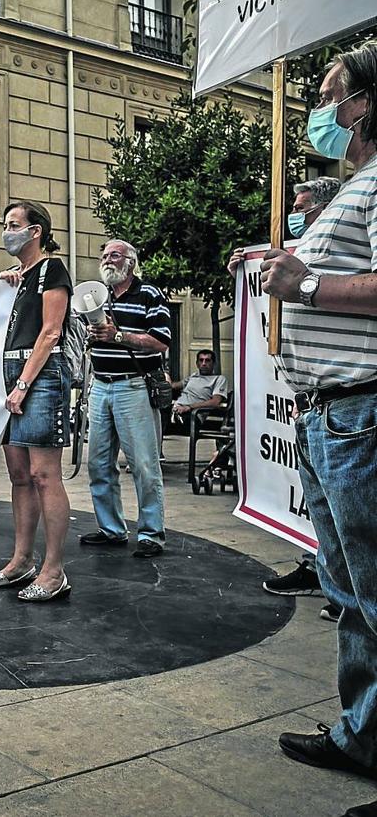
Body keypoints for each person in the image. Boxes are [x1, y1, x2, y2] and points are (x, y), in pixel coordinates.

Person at [257, 43, 377, 805]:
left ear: (364, 103)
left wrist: (307, 281)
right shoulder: (353, 188)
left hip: (361, 412)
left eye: (330, 92)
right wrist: (284, 260)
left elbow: (339, 284)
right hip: (329, 418)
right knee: (351, 593)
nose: (319, 108)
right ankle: (365, 734)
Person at [228, 177, 342, 612]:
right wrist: (246, 266)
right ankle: (326, 574)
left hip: (343, 400)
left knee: (348, 516)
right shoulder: (298, 254)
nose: (296, 215)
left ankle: (344, 587)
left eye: (303, 207)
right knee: (323, 507)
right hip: (309, 399)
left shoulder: (339, 251)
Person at [0, 201, 72, 601]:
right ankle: (22, 559)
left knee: (42, 474)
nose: (7, 231)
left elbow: (51, 331)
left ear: (35, 231)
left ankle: (54, 570)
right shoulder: (22, 278)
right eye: (5, 225)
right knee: (19, 473)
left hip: (39, 373)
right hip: (13, 372)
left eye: (14, 225)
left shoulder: (52, 270)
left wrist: (22, 383)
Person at [81, 239, 172, 558]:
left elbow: (160, 342)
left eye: (114, 256)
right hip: (101, 386)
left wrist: (118, 336)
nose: (107, 260)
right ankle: (111, 528)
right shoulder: (96, 297)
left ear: (130, 263)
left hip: (133, 386)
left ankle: (151, 533)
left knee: (144, 464)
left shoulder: (149, 294)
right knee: (99, 463)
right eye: (104, 255)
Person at [163, 349, 228, 435]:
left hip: (192, 415)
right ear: (197, 363)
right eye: (201, 360)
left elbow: (215, 402)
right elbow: (173, 386)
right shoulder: (193, 376)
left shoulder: (219, 379)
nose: (204, 364)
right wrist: (165, 375)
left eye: (207, 360)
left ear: (213, 363)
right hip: (175, 410)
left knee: (162, 426)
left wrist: (189, 407)